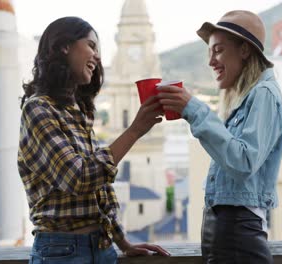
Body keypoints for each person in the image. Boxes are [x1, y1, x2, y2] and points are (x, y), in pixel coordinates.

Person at [18, 16, 170, 264]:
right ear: (64, 46)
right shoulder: (38, 110)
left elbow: (99, 190)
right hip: (62, 251)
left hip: (102, 247)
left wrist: (123, 242)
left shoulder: (76, 110)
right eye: (90, 45)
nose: (97, 57)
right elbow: (79, 178)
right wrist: (135, 131)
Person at [157, 10, 282, 263]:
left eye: (218, 50)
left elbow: (244, 162)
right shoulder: (246, 96)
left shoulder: (264, 94)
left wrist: (194, 110)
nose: (211, 61)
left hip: (237, 232)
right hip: (228, 231)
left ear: (244, 50)